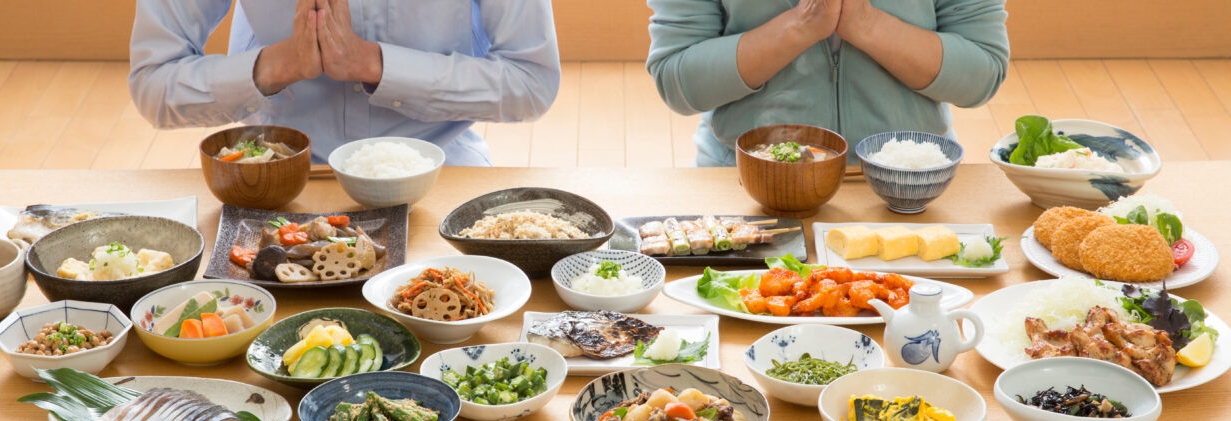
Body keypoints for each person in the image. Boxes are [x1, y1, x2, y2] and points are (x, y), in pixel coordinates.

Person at [129, 0, 561, 165]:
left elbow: (532, 81)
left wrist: (375, 65)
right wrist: (275, 67)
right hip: (277, 170)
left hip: (439, 162)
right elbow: (154, 84)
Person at [646, 0, 1009, 166]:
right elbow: (678, 82)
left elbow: (982, 73)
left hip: (910, 184)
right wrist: (800, 27)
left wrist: (866, 24)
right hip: (747, 182)